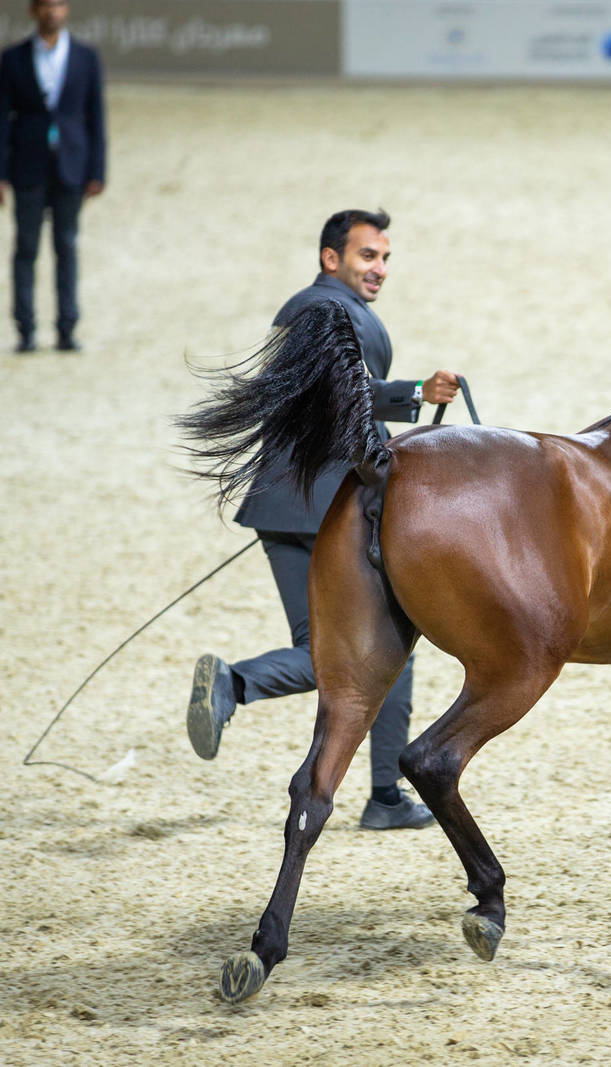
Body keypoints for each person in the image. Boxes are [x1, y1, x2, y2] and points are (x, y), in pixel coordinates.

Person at [187, 208, 462, 831]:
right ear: (330, 258)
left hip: (284, 507)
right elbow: (344, 405)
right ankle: (235, 685)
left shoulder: (311, 311)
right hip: (328, 509)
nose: (380, 269)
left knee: (339, 648)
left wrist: (415, 392)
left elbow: (343, 391)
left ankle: (385, 795)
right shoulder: (327, 311)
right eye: (368, 256)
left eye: (386, 258)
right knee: (365, 650)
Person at [0, 0, 105, 353]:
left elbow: (95, 119)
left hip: (71, 165)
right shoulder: (13, 58)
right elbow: (0, 121)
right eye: (45, 5)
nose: (52, 11)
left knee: (66, 246)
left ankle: (66, 329)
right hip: (27, 166)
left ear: (66, 9)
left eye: (57, 4)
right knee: (26, 248)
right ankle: (25, 330)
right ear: (33, 10)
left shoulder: (86, 57)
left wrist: (97, 170)